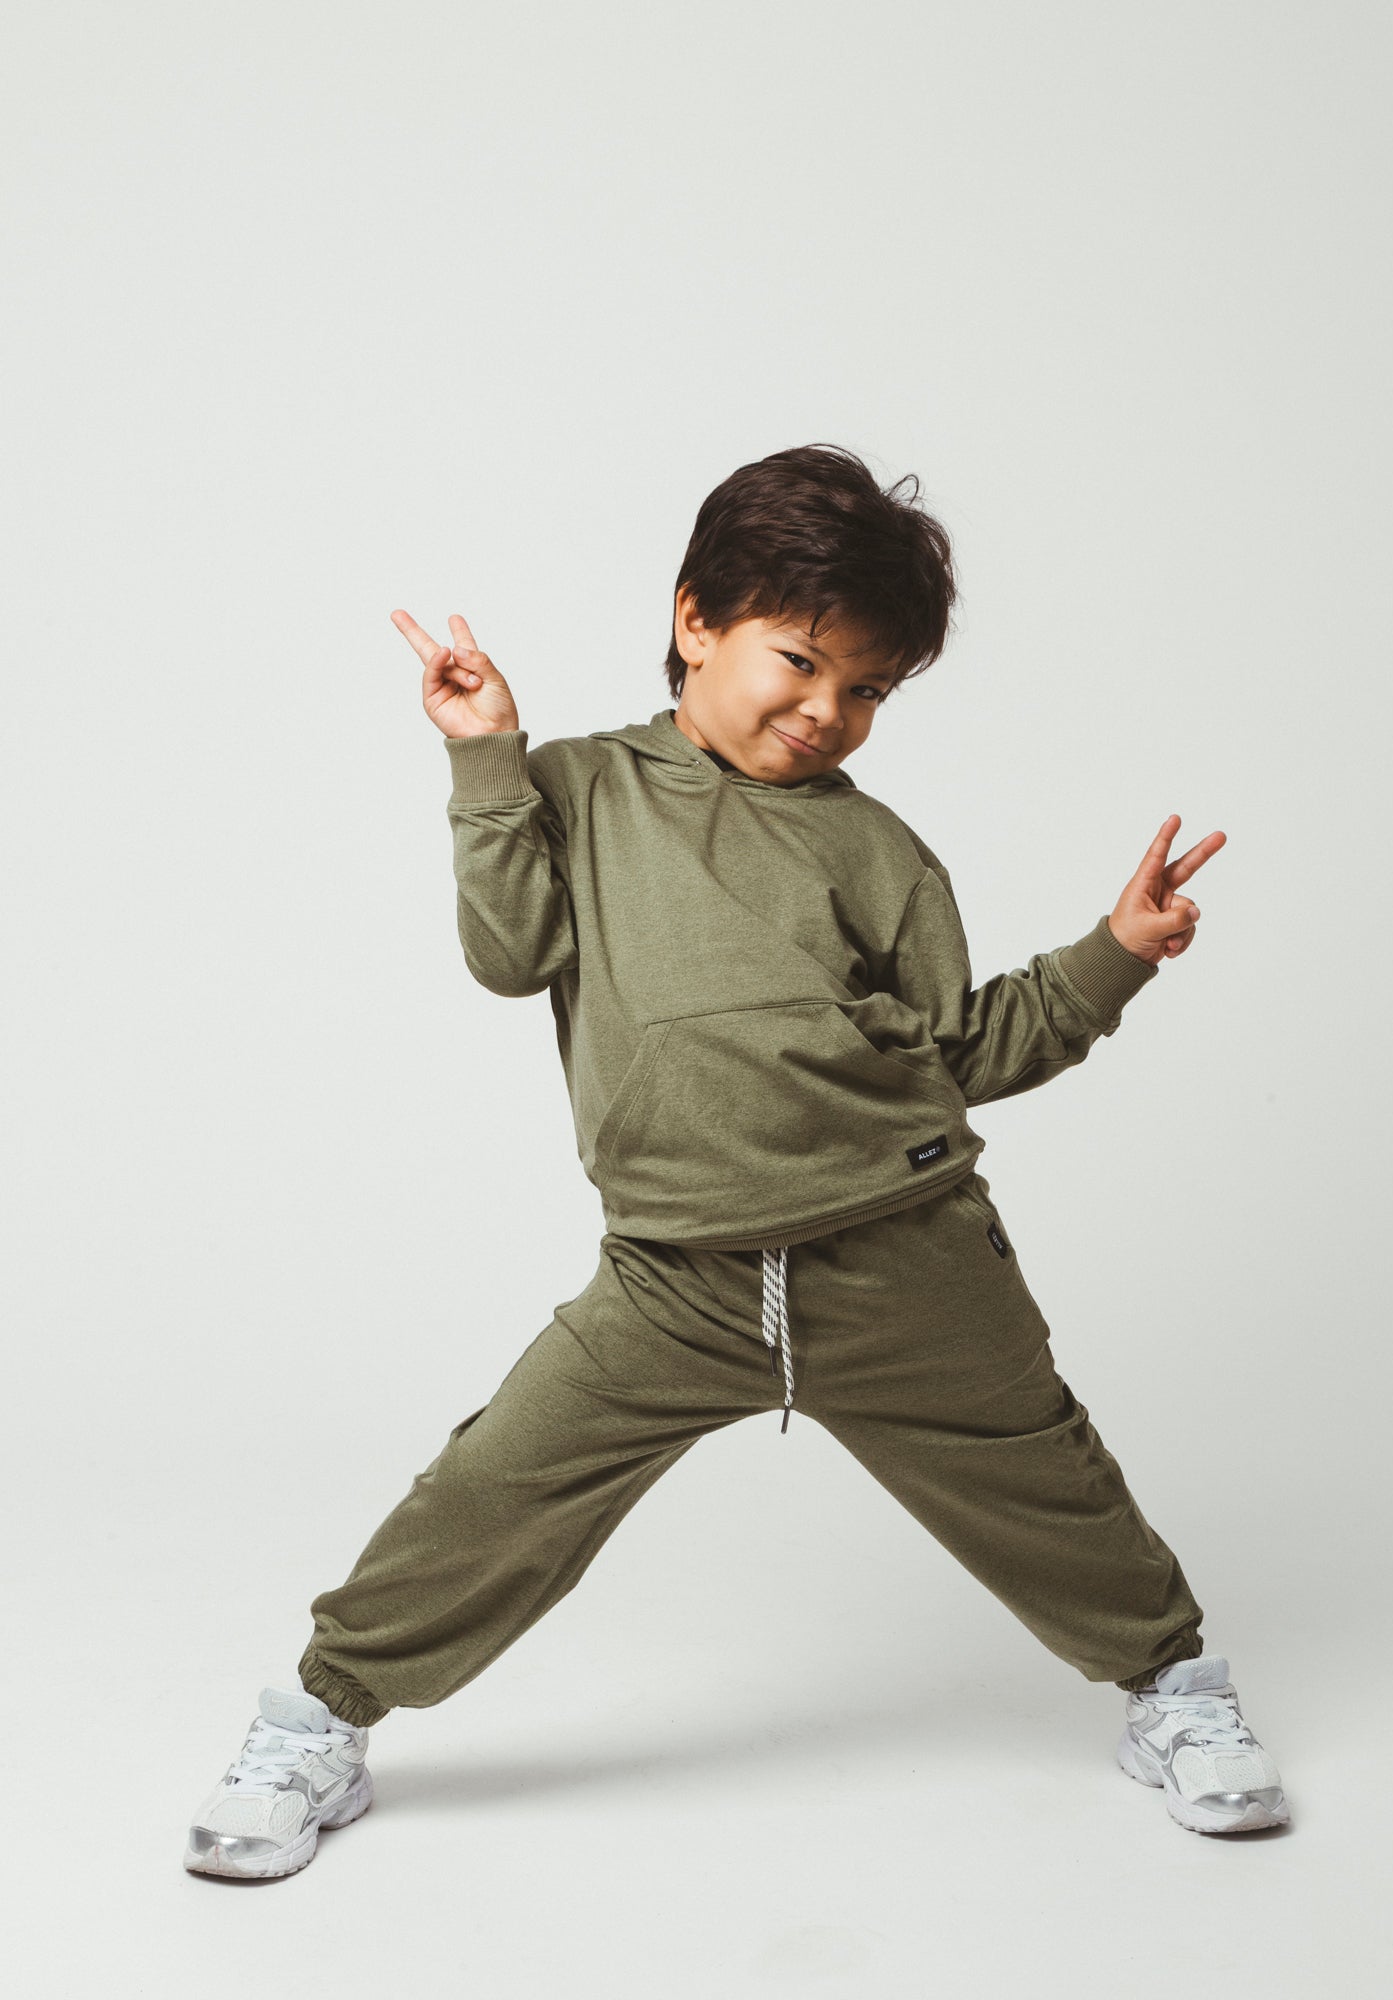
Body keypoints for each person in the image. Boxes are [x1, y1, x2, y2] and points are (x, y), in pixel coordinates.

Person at [183, 444, 1289, 1880]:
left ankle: (1176, 1693)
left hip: (905, 1253)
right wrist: (483, 754)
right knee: (494, 1493)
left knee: (1051, 1487)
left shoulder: (880, 851)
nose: (828, 711)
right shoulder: (578, 788)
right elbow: (510, 955)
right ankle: (317, 1723)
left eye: (869, 690)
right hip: (676, 1275)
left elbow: (958, 1051)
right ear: (696, 620)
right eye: (801, 662)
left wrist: (1113, 955)